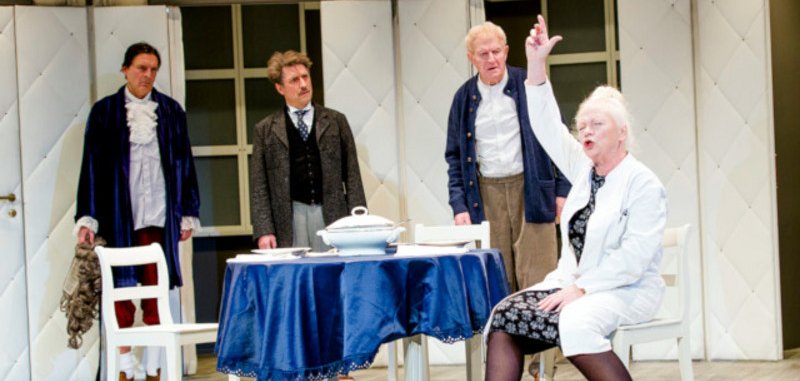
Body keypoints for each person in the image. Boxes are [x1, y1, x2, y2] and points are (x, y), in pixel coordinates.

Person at [483, 16, 668, 381]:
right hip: (571, 282)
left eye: (597, 124)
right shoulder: (582, 169)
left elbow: (634, 258)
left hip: (627, 289)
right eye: (582, 125)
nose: (586, 130)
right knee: (503, 316)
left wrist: (582, 288)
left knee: (577, 322)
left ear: (622, 133)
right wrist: (535, 64)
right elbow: (546, 125)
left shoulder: (643, 184)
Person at [75, 42, 200, 381]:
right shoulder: (105, 113)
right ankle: (125, 367)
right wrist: (87, 217)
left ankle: (155, 367)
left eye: (153, 69)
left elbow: (185, 164)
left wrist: (188, 211)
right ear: (125, 70)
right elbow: (91, 167)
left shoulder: (171, 111)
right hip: (120, 219)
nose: (148, 75)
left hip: (160, 217)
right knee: (122, 292)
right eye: (142, 68)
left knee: (158, 291)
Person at [446, 21, 570, 292]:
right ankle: (498, 336)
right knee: (493, 283)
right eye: (483, 54)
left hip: (533, 190)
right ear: (471, 58)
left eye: (496, 51)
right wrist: (459, 205)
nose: (491, 59)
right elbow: (454, 158)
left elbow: (558, 138)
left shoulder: (529, 85)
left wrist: (562, 190)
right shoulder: (463, 98)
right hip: (485, 196)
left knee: (540, 278)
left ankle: (538, 335)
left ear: (506, 51)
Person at [250, 50, 366, 252]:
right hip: (289, 217)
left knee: (332, 276)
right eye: (294, 80)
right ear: (280, 88)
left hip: (332, 214)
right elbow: (259, 185)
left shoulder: (336, 121)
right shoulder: (265, 130)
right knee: (296, 279)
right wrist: (264, 230)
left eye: (305, 77)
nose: (303, 84)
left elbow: (353, 175)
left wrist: (359, 220)